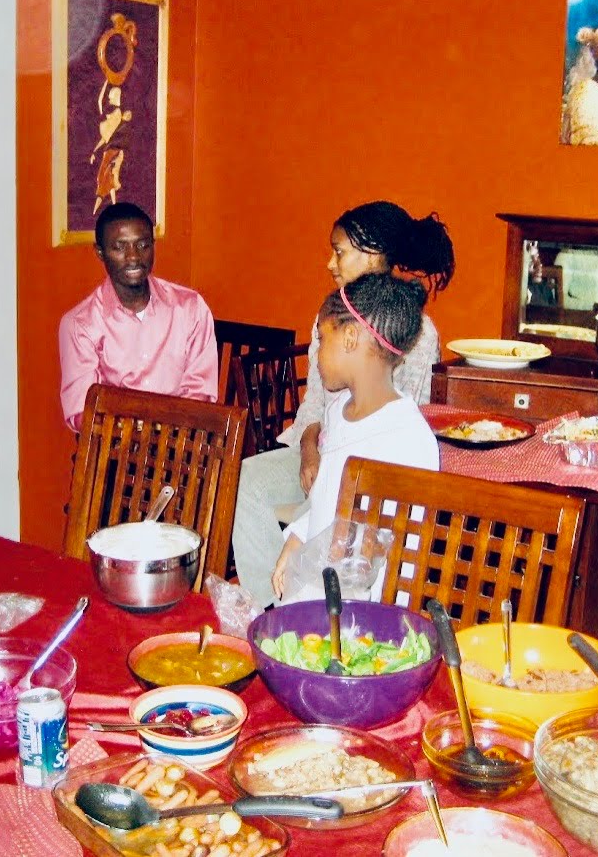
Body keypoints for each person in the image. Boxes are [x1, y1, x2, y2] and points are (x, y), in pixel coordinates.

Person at [232, 201, 454, 609]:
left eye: (339, 251)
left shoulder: (415, 334)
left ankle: (299, 607)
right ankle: (267, 605)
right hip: (322, 447)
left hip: (362, 487)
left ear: (373, 255)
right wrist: (310, 449)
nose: (330, 263)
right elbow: (315, 406)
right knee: (246, 480)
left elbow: (409, 416)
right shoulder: (333, 316)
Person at [270, 273, 440, 601]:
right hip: (315, 590)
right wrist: (295, 540)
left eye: (322, 338)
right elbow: (324, 501)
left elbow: (403, 558)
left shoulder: (408, 439)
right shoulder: (337, 412)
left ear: (350, 337)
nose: (316, 353)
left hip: (360, 615)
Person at [57, 202, 218, 431]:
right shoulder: (80, 324)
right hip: (116, 449)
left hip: (181, 445)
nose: (133, 257)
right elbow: (81, 412)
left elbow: (200, 395)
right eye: (120, 247)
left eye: (142, 245)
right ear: (100, 252)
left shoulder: (190, 308)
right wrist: (131, 433)